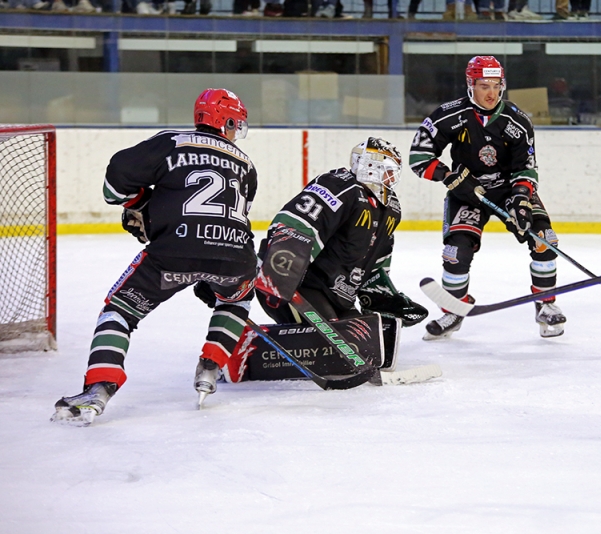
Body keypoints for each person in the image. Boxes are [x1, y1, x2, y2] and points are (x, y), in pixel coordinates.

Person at [51, 88, 258, 426]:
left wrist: (138, 204)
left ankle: (98, 388)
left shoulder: (171, 141)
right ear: (227, 122)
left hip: (173, 253)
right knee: (237, 299)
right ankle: (210, 367)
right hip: (236, 257)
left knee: (120, 310)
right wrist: (214, 274)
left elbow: (114, 185)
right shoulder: (247, 165)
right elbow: (231, 219)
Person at [410, 55, 566, 341]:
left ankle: (546, 305)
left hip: (509, 189)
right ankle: (453, 311)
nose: (491, 93)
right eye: (484, 85)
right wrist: (448, 176)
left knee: (544, 239)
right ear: (470, 85)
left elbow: (527, 168)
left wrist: (520, 199)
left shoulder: (517, 121)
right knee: (456, 254)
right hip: (466, 192)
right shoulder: (448, 115)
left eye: (496, 85)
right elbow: (418, 157)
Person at [252, 137, 427, 337]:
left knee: (364, 341)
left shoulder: (390, 209)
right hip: (303, 286)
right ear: (370, 166)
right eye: (387, 170)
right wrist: (279, 271)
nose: (391, 177)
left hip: (340, 296)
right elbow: (294, 221)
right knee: (337, 341)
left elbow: (377, 263)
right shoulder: (340, 186)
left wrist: (384, 299)